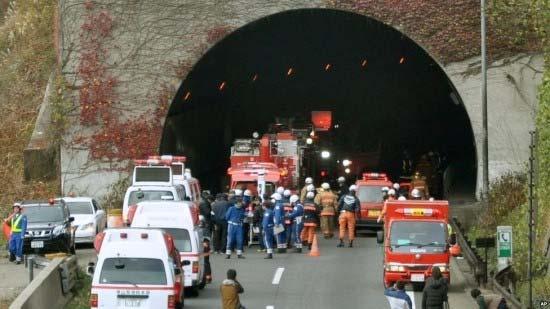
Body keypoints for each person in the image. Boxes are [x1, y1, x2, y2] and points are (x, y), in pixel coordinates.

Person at [225, 194, 246, 259]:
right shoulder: (231, 208)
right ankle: (228, 254)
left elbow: (242, 217)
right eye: (240, 203)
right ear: (236, 203)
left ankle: (239, 254)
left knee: (240, 240)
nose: (241, 204)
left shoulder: (242, 209)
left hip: (239, 226)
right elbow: (227, 217)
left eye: (241, 203)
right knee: (230, 240)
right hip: (231, 225)